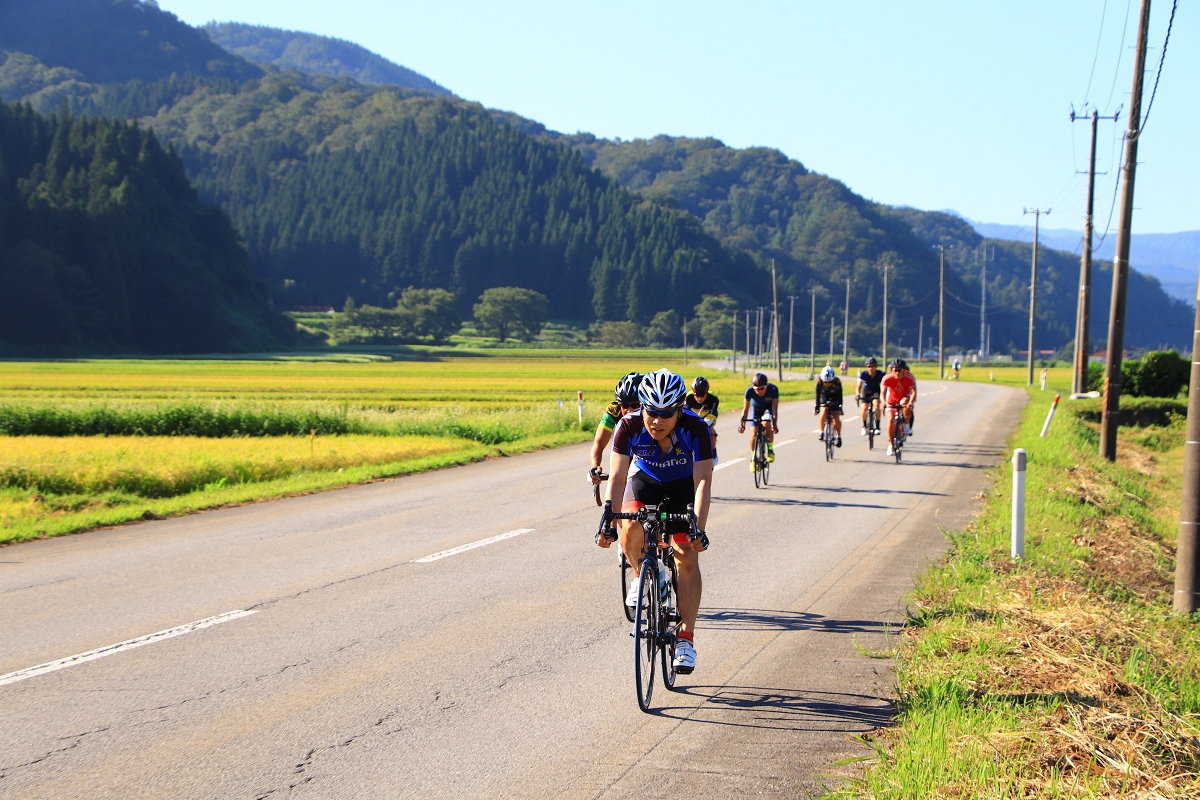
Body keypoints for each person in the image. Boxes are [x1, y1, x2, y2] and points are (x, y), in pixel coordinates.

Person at [599, 369, 712, 675]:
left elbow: (702, 481)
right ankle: (642, 574)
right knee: (630, 525)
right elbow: (619, 475)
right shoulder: (628, 425)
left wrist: (696, 528)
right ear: (642, 407)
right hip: (645, 479)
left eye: (665, 415)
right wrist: (609, 517)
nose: (657, 422)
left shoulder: (696, 427)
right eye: (651, 412)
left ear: (679, 411)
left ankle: (686, 639)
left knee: (686, 555)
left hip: (682, 485)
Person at [588, 372, 642, 485]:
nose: (630, 410)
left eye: (636, 405)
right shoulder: (614, 410)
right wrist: (595, 467)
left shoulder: (655, 413)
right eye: (625, 406)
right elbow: (599, 443)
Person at [738, 372, 779, 469]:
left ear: (766, 386)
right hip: (756, 409)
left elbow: (774, 410)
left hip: (768, 409)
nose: (760, 391)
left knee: (766, 423)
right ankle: (753, 458)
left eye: (762, 388)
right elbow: (745, 409)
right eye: (757, 389)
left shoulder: (773, 390)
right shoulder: (749, 391)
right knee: (753, 432)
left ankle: (770, 450)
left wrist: (774, 424)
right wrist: (742, 424)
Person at [881, 358, 917, 456]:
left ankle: (906, 425)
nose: (897, 372)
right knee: (891, 419)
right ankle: (890, 445)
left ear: (904, 370)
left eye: (899, 370)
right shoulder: (887, 378)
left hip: (905, 396)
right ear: (892, 370)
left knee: (906, 404)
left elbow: (914, 392)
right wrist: (884, 403)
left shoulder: (910, 377)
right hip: (892, 397)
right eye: (895, 370)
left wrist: (910, 402)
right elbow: (883, 392)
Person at [685, 376, 719, 456]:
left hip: (708, 417)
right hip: (694, 417)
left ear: (706, 392)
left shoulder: (713, 398)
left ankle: (713, 451)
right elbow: (686, 412)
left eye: (702, 395)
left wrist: (707, 421)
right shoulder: (688, 397)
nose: (699, 398)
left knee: (710, 430)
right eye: (697, 395)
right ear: (693, 392)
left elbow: (713, 412)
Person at [814, 365, 844, 447]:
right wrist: (817, 407)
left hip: (835, 396)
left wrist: (840, 406)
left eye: (829, 382)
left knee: (836, 417)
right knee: (823, 411)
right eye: (825, 382)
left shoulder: (837, 381)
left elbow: (840, 396)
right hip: (824, 396)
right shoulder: (819, 382)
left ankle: (839, 436)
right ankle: (821, 432)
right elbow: (817, 395)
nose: (827, 384)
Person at [855, 356, 883, 436]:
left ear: (876, 367)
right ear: (866, 367)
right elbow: (858, 386)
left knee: (876, 404)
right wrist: (857, 394)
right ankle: (864, 426)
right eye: (869, 366)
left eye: (873, 366)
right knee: (864, 407)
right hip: (866, 391)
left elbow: (885, 384)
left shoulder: (880, 374)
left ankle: (877, 427)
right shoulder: (863, 375)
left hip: (876, 391)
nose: (871, 368)